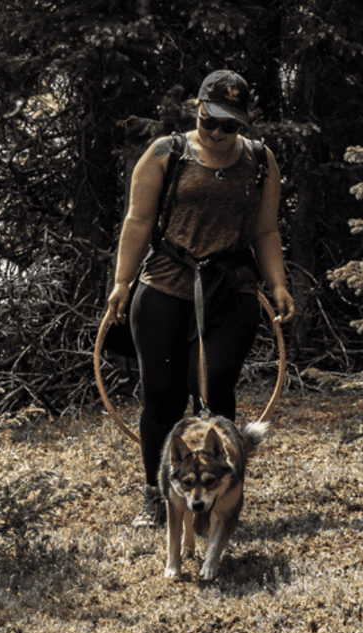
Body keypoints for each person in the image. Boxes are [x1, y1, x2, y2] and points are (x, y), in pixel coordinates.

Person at [107, 69, 295, 528]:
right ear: (198, 109)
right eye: (211, 121)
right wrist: (122, 282)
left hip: (231, 290)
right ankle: (156, 492)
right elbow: (137, 222)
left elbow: (266, 229)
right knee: (162, 399)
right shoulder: (164, 154)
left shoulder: (260, 161)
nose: (218, 133)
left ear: (242, 124)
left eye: (230, 125)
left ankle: (218, 492)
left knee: (210, 389)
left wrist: (278, 284)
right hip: (165, 286)